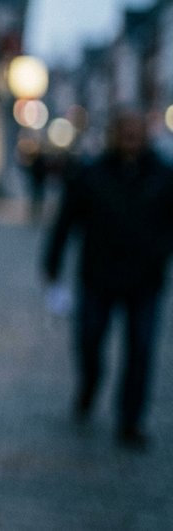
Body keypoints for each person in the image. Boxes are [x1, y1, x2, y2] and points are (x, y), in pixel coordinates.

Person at [42, 109, 173, 450]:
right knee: (89, 341)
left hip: (145, 280)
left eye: (136, 130)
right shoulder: (92, 173)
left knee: (141, 351)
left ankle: (130, 419)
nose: (131, 137)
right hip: (98, 276)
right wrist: (53, 261)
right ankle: (89, 384)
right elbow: (67, 219)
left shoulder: (163, 175)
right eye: (124, 130)